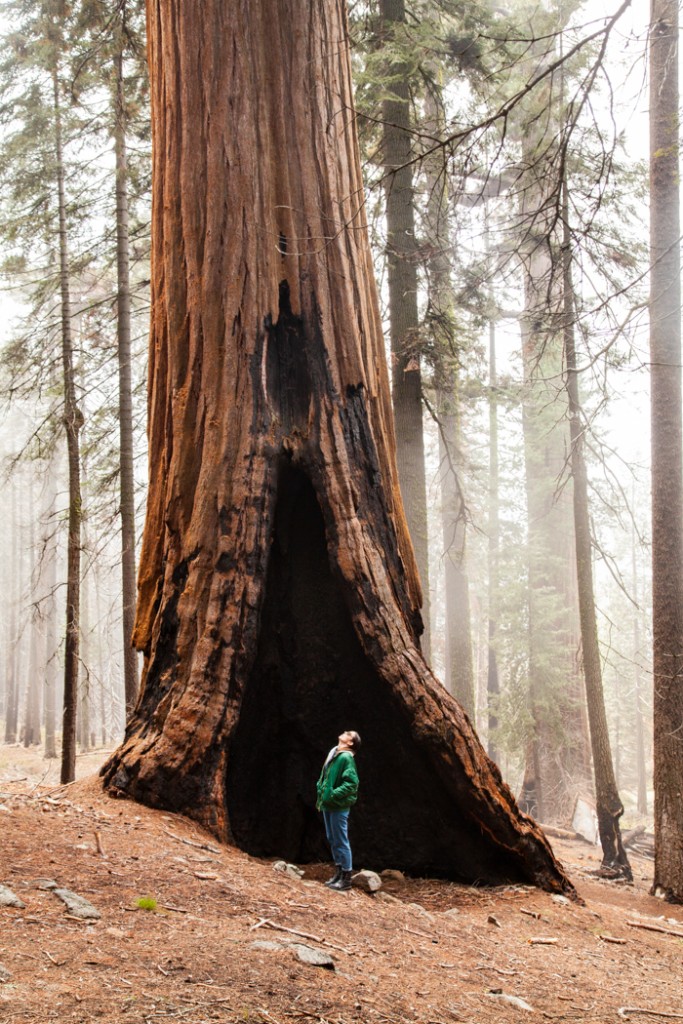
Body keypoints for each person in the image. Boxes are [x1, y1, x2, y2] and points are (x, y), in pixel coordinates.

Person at [316, 730, 361, 891]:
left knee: (341, 840)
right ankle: (339, 872)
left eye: (349, 733)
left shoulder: (346, 757)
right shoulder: (335, 752)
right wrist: (322, 789)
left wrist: (334, 794)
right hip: (328, 804)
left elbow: (351, 783)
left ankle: (346, 878)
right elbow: (326, 775)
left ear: (350, 743)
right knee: (333, 838)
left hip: (338, 806)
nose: (344, 732)